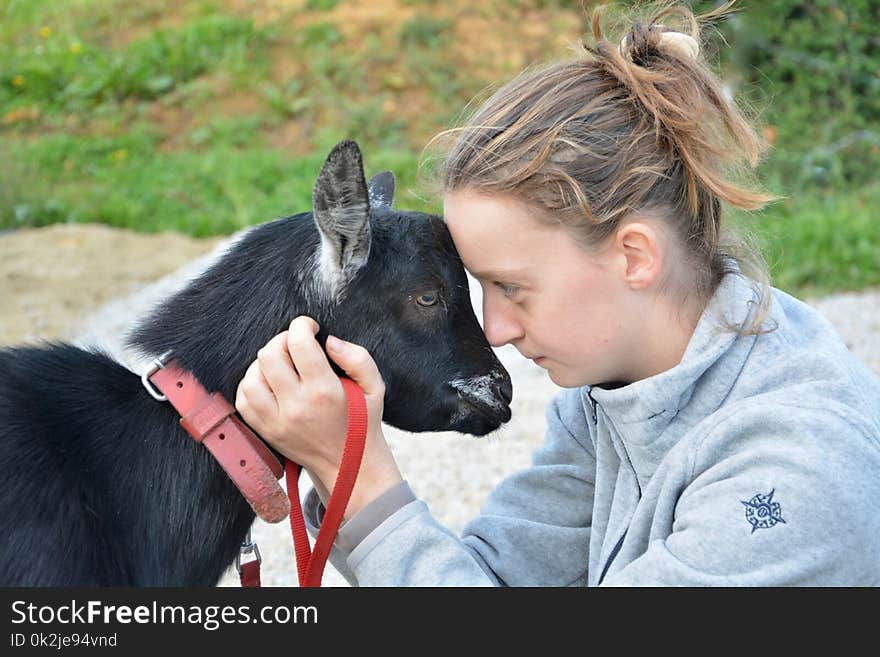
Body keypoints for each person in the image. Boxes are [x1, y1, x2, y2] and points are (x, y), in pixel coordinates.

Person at [234, 2, 880, 586]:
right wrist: (336, 460)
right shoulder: (619, 384)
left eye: (511, 286)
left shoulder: (796, 472)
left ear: (634, 256)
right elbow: (496, 579)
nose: (494, 329)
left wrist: (364, 475)